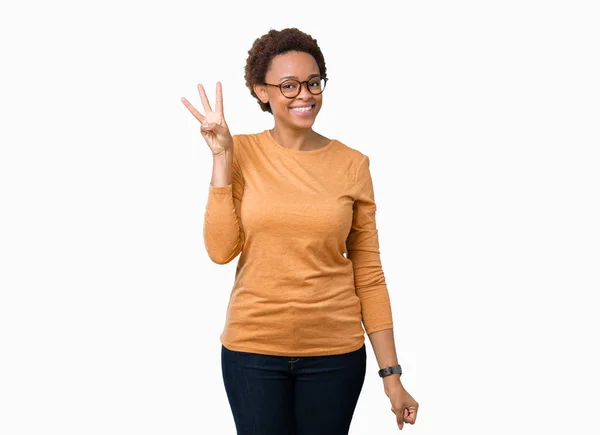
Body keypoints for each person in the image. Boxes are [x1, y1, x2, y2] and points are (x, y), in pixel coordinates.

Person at [181, 27, 419, 435]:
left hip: (335, 354)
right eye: (288, 85)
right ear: (261, 91)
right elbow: (221, 251)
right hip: (252, 350)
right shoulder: (240, 152)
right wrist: (222, 157)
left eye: (312, 82)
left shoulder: (352, 164)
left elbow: (369, 272)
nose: (304, 95)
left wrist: (391, 375)